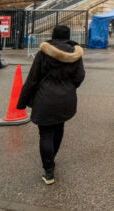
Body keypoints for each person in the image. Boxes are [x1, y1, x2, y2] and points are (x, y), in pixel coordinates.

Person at [16, 25, 85, 185]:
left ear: (53, 36)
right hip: (66, 98)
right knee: (59, 127)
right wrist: (69, 87)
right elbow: (80, 76)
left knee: (45, 133)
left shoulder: (43, 53)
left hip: (44, 98)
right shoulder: (75, 54)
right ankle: (51, 158)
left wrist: (22, 102)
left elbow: (32, 79)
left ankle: (48, 171)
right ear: (68, 36)